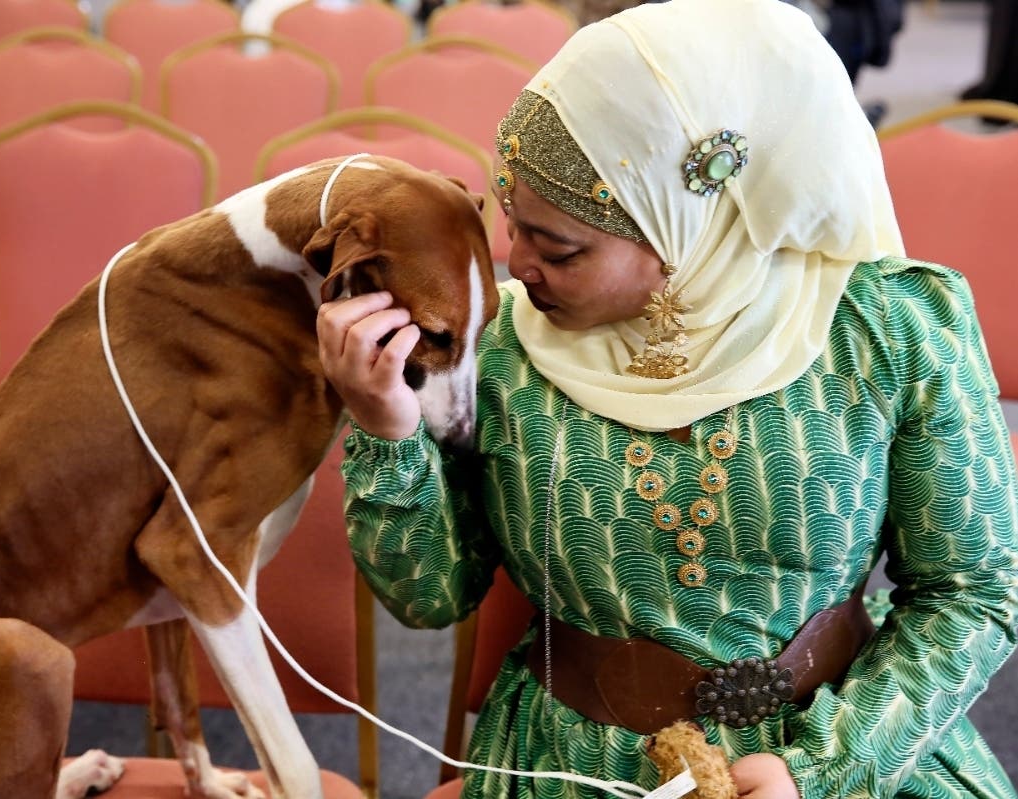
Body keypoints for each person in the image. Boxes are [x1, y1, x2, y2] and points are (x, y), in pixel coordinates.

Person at [316, 0, 1018, 796]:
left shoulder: (884, 328)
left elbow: (975, 590)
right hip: (572, 765)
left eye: (560, 248)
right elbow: (427, 595)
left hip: (838, 745)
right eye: (513, 227)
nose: (517, 266)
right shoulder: (503, 347)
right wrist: (386, 429)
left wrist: (821, 768)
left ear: (690, 226)